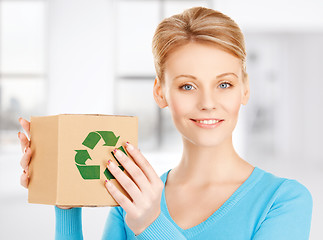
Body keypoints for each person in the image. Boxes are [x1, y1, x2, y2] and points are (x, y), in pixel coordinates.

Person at [17, 6, 313, 240]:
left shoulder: (284, 201)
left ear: (245, 89)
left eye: (224, 84)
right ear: (160, 92)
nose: (208, 102)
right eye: (187, 86)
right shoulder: (133, 199)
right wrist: (66, 204)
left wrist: (151, 226)